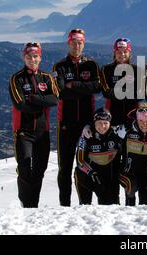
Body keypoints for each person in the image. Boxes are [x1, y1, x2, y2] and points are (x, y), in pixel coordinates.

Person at [52, 28, 103, 206]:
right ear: (68, 43)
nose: (77, 45)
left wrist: (73, 85)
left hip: (87, 125)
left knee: (86, 166)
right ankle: (64, 205)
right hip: (65, 124)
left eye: (80, 42)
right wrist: (83, 88)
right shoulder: (60, 66)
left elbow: (97, 87)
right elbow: (60, 92)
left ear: (84, 43)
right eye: (73, 42)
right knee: (64, 168)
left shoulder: (91, 65)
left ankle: (85, 204)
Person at [9, 42, 59, 208]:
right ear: (24, 57)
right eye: (29, 56)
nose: (32, 59)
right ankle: (26, 202)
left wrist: (34, 98)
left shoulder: (47, 77)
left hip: (42, 131)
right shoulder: (16, 78)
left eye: (35, 56)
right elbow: (20, 104)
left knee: (39, 169)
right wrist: (43, 102)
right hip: (23, 131)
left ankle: (33, 205)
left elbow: (55, 99)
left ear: (40, 57)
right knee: (24, 166)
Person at [117, 102, 147, 206]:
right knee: (132, 186)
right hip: (127, 173)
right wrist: (89, 127)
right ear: (136, 119)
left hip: (146, 175)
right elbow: (106, 131)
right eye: (141, 121)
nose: (145, 124)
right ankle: (129, 208)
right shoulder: (126, 130)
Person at [74, 108, 123, 205]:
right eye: (99, 123)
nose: (102, 126)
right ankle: (84, 205)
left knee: (110, 206)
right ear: (94, 123)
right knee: (79, 173)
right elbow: (79, 161)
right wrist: (92, 173)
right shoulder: (86, 135)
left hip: (108, 175)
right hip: (90, 175)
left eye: (106, 123)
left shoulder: (116, 134)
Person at [101, 38, 139, 126]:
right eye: (119, 52)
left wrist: (116, 91)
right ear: (114, 53)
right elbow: (106, 92)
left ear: (129, 53)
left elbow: (140, 93)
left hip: (132, 115)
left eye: (125, 52)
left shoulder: (137, 70)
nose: (122, 55)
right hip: (112, 114)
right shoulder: (106, 69)